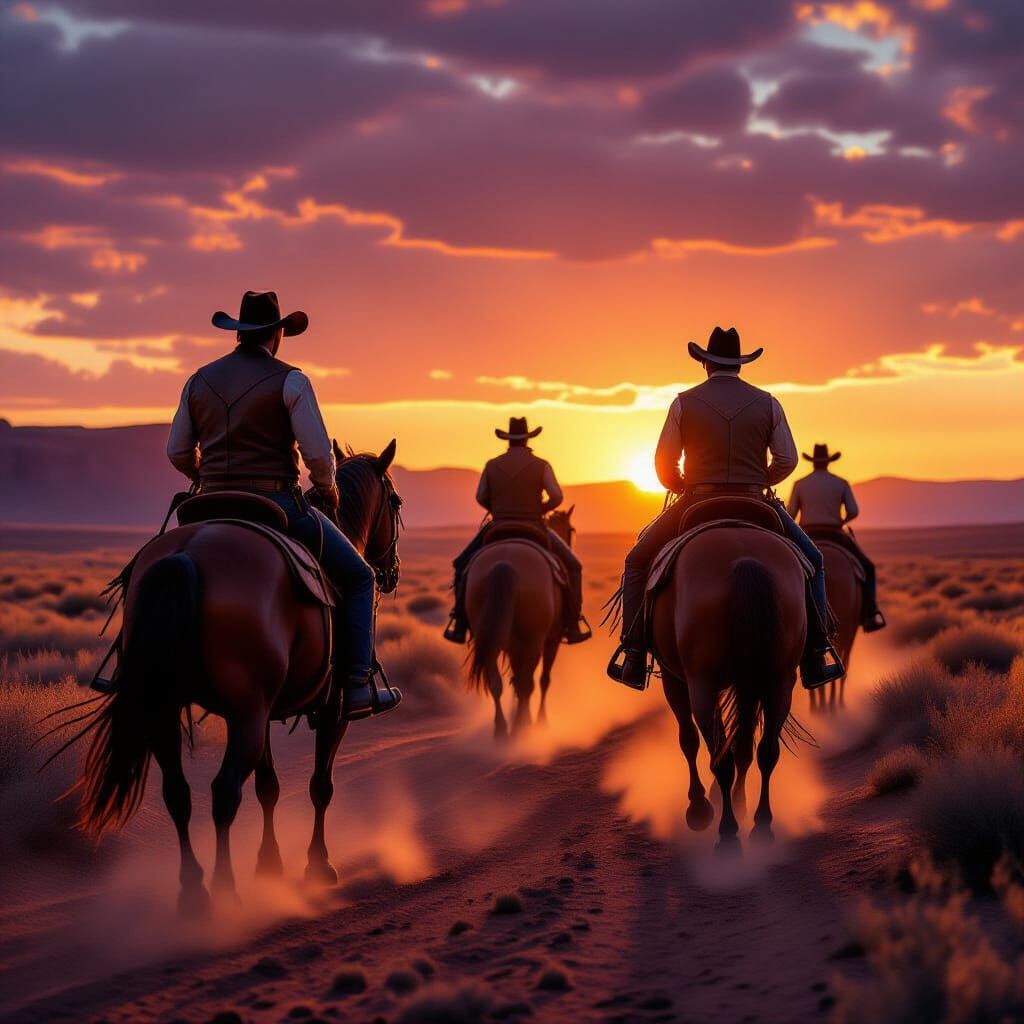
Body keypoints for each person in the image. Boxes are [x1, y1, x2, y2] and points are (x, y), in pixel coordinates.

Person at [165, 289, 400, 720]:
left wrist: (203, 477)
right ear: (277, 335)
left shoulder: (198, 380)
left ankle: (128, 663)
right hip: (275, 503)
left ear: (238, 333)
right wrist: (329, 491)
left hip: (208, 504)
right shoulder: (291, 381)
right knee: (361, 576)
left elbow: (177, 449)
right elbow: (316, 455)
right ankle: (357, 683)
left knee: (155, 565)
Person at [607, 326, 843, 690]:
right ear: (741, 365)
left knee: (637, 560)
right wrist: (760, 478)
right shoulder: (768, 402)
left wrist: (679, 484)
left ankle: (635, 653)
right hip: (755, 498)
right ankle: (816, 652)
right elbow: (787, 458)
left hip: (697, 499)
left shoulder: (684, 401)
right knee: (814, 560)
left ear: (705, 363)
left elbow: (664, 463)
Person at [443, 417, 590, 645]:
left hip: (498, 525)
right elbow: (557, 496)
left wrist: (497, 508)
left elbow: (481, 496)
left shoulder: (492, 465)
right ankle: (573, 624)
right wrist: (541, 508)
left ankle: (459, 622)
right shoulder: (541, 465)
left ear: (508, 440)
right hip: (534, 525)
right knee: (573, 566)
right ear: (527, 439)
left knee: (461, 564)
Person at [788, 444, 886, 631]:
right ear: (828, 462)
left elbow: (791, 513)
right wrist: (841, 519)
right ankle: (870, 613)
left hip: (807, 534)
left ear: (813, 462)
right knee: (868, 567)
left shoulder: (801, 484)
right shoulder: (840, 483)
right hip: (835, 532)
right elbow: (853, 511)